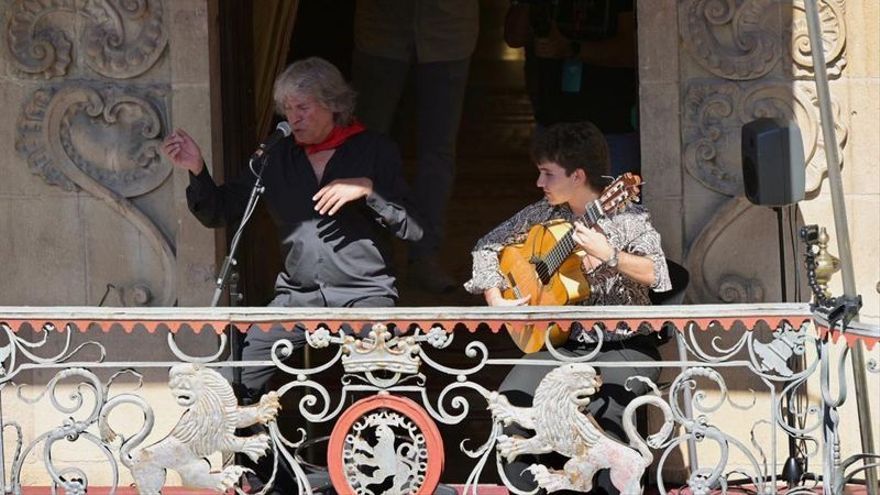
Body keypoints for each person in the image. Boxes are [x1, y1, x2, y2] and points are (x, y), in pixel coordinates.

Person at [162, 57, 423, 494]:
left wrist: (369, 191)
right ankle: (267, 475)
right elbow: (223, 211)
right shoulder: (274, 156)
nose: (292, 118)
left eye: (303, 108)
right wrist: (197, 170)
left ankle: (378, 479)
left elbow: (413, 227)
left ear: (333, 106)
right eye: (287, 109)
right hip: (298, 295)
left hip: (365, 293)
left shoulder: (374, 150)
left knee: (380, 383)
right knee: (241, 370)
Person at [463, 121, 671, 494]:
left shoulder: (627, 216)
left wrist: (610, 255)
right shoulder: (542, 214)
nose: (539, 183)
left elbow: (658, 273)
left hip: (621, 344)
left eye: (547, 174)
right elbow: (486, 246)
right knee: (514, 404)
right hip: (564, 345)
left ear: (577, 176)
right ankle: (533, 488)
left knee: (606, 416)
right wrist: (497, 298)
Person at [351, 0, 479, 293]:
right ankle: (364, 256)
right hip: (381, 29)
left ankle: (425, 256)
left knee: (438, 153)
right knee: (364, 148)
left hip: (448, 30)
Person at [505, 0, 640, 176]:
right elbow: (514, 38)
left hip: (610, 126)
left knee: (611, 200)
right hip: (553, 124)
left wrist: (572, 49)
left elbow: (630, 51)